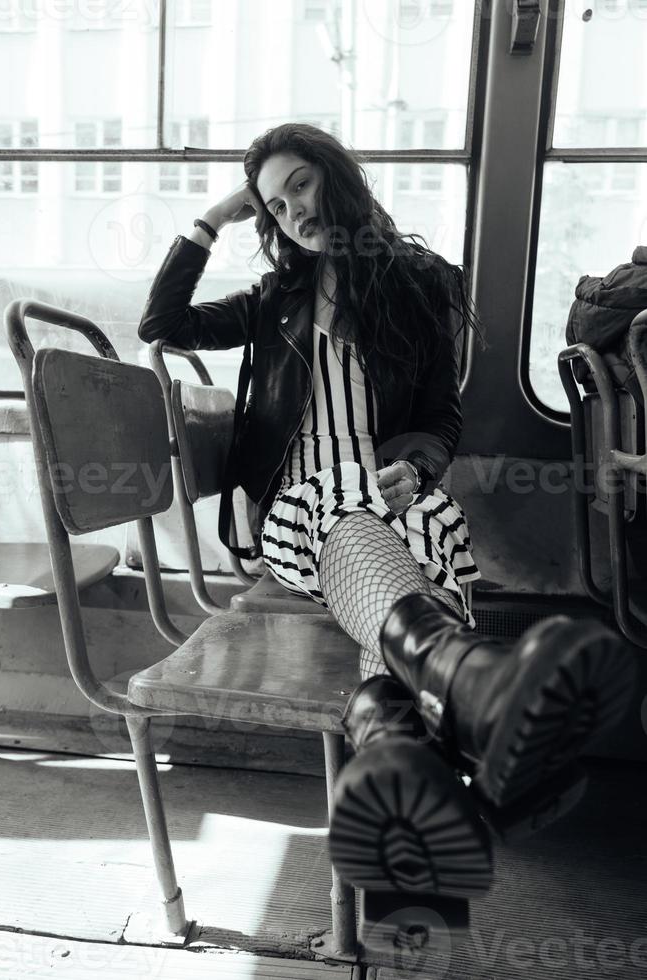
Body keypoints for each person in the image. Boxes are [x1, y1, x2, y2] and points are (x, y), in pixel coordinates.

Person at [138, 123, 635, 935]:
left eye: (300, 183)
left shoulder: (421, 282)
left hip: (389, 498)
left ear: (336, 177)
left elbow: (440, 414)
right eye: (273, 202)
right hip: (300, 506)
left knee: (426, 545)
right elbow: (163, 325)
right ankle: (471, 684)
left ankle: (409, 808)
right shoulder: (273, 300)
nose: (292, 208)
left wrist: (421, 469)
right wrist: (218, 217)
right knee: (353, 509)